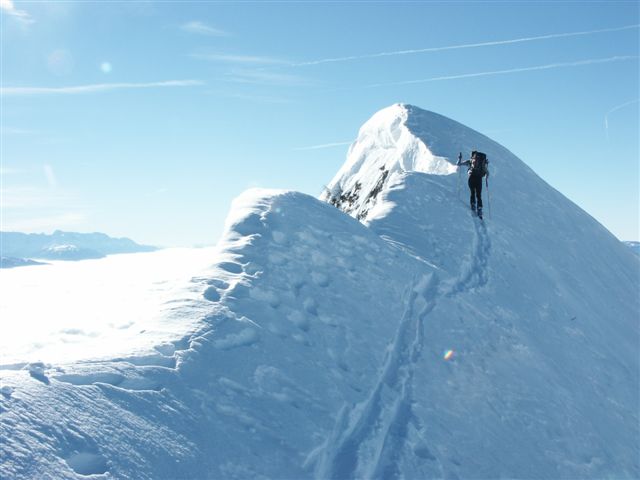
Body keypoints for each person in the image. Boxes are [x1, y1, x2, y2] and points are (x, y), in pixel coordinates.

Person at [457, 151, 489, 219]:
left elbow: (458, 164)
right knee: (479, 195)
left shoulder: (470, 161)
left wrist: (459, 158)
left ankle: (473, 205)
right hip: (479, 179)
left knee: (472, 192)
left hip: (471, 178)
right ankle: (479, 208)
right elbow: (487, 173)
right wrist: (486, 177)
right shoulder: (482, 163)